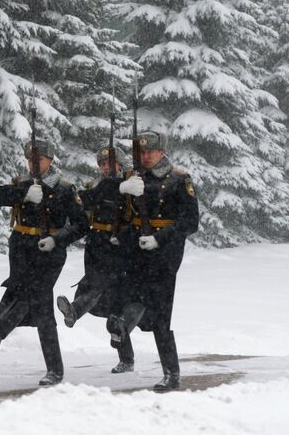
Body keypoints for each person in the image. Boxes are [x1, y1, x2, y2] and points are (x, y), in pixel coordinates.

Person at [0, 139, 88, 386]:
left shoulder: (65, 188)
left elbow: (82, 225)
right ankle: (54, 370)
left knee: (35, 294)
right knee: (39, 306)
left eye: (38, 160)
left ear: (50, 160)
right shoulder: (22, 184)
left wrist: (57, 239)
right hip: (22, 251)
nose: (33, 164)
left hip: (49, 253)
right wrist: (23, 194)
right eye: (30, 160)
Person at [112, 130, 199, 392]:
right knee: (126, 296)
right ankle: (122, 332)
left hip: (165, 254)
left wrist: (160, 238)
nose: (146, 156)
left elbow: (190, 222)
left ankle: (171, 373)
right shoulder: (133, 178)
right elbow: (120, 212)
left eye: (150, 151)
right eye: (141, 152)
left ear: (162, 151)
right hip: (135, 250)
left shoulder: (178, 180)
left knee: (161, 315)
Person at [56, 144, 142, 374]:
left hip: (120, 245)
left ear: (121, 165)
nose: (106, 167)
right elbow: (84, 201)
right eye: (102, 164)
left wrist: (121, 191)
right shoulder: (97, 186)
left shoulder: (133, 184)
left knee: (102, 286)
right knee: (112, 301)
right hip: (97, 245)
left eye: (110, 164)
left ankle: (75, 310)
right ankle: (127, 358)